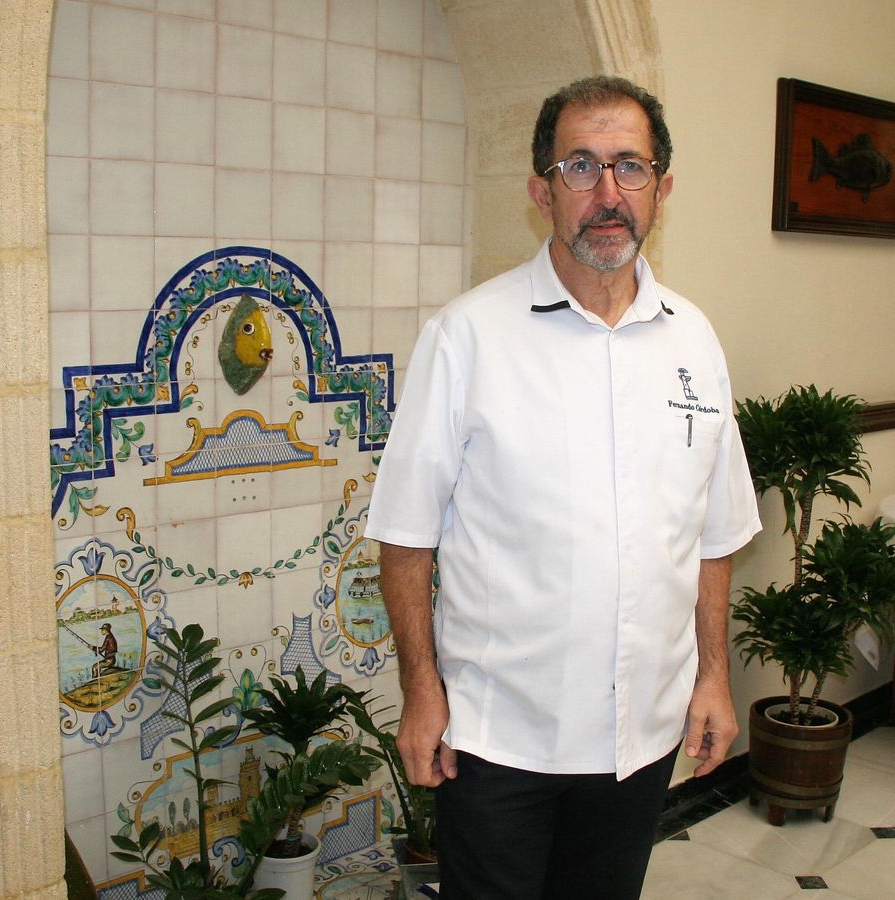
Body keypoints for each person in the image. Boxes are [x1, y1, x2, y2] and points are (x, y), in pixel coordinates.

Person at [363, 75, 762, 899]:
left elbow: (714, 533)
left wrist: (714, 677)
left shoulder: (695, 340)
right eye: (580, 167)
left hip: (640, 738)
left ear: (663, 189)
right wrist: (421, 693)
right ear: (542, 191)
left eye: (630, 167)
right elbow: (405, 535)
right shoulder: (467, 336)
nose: (608, 193)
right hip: (501, 738)